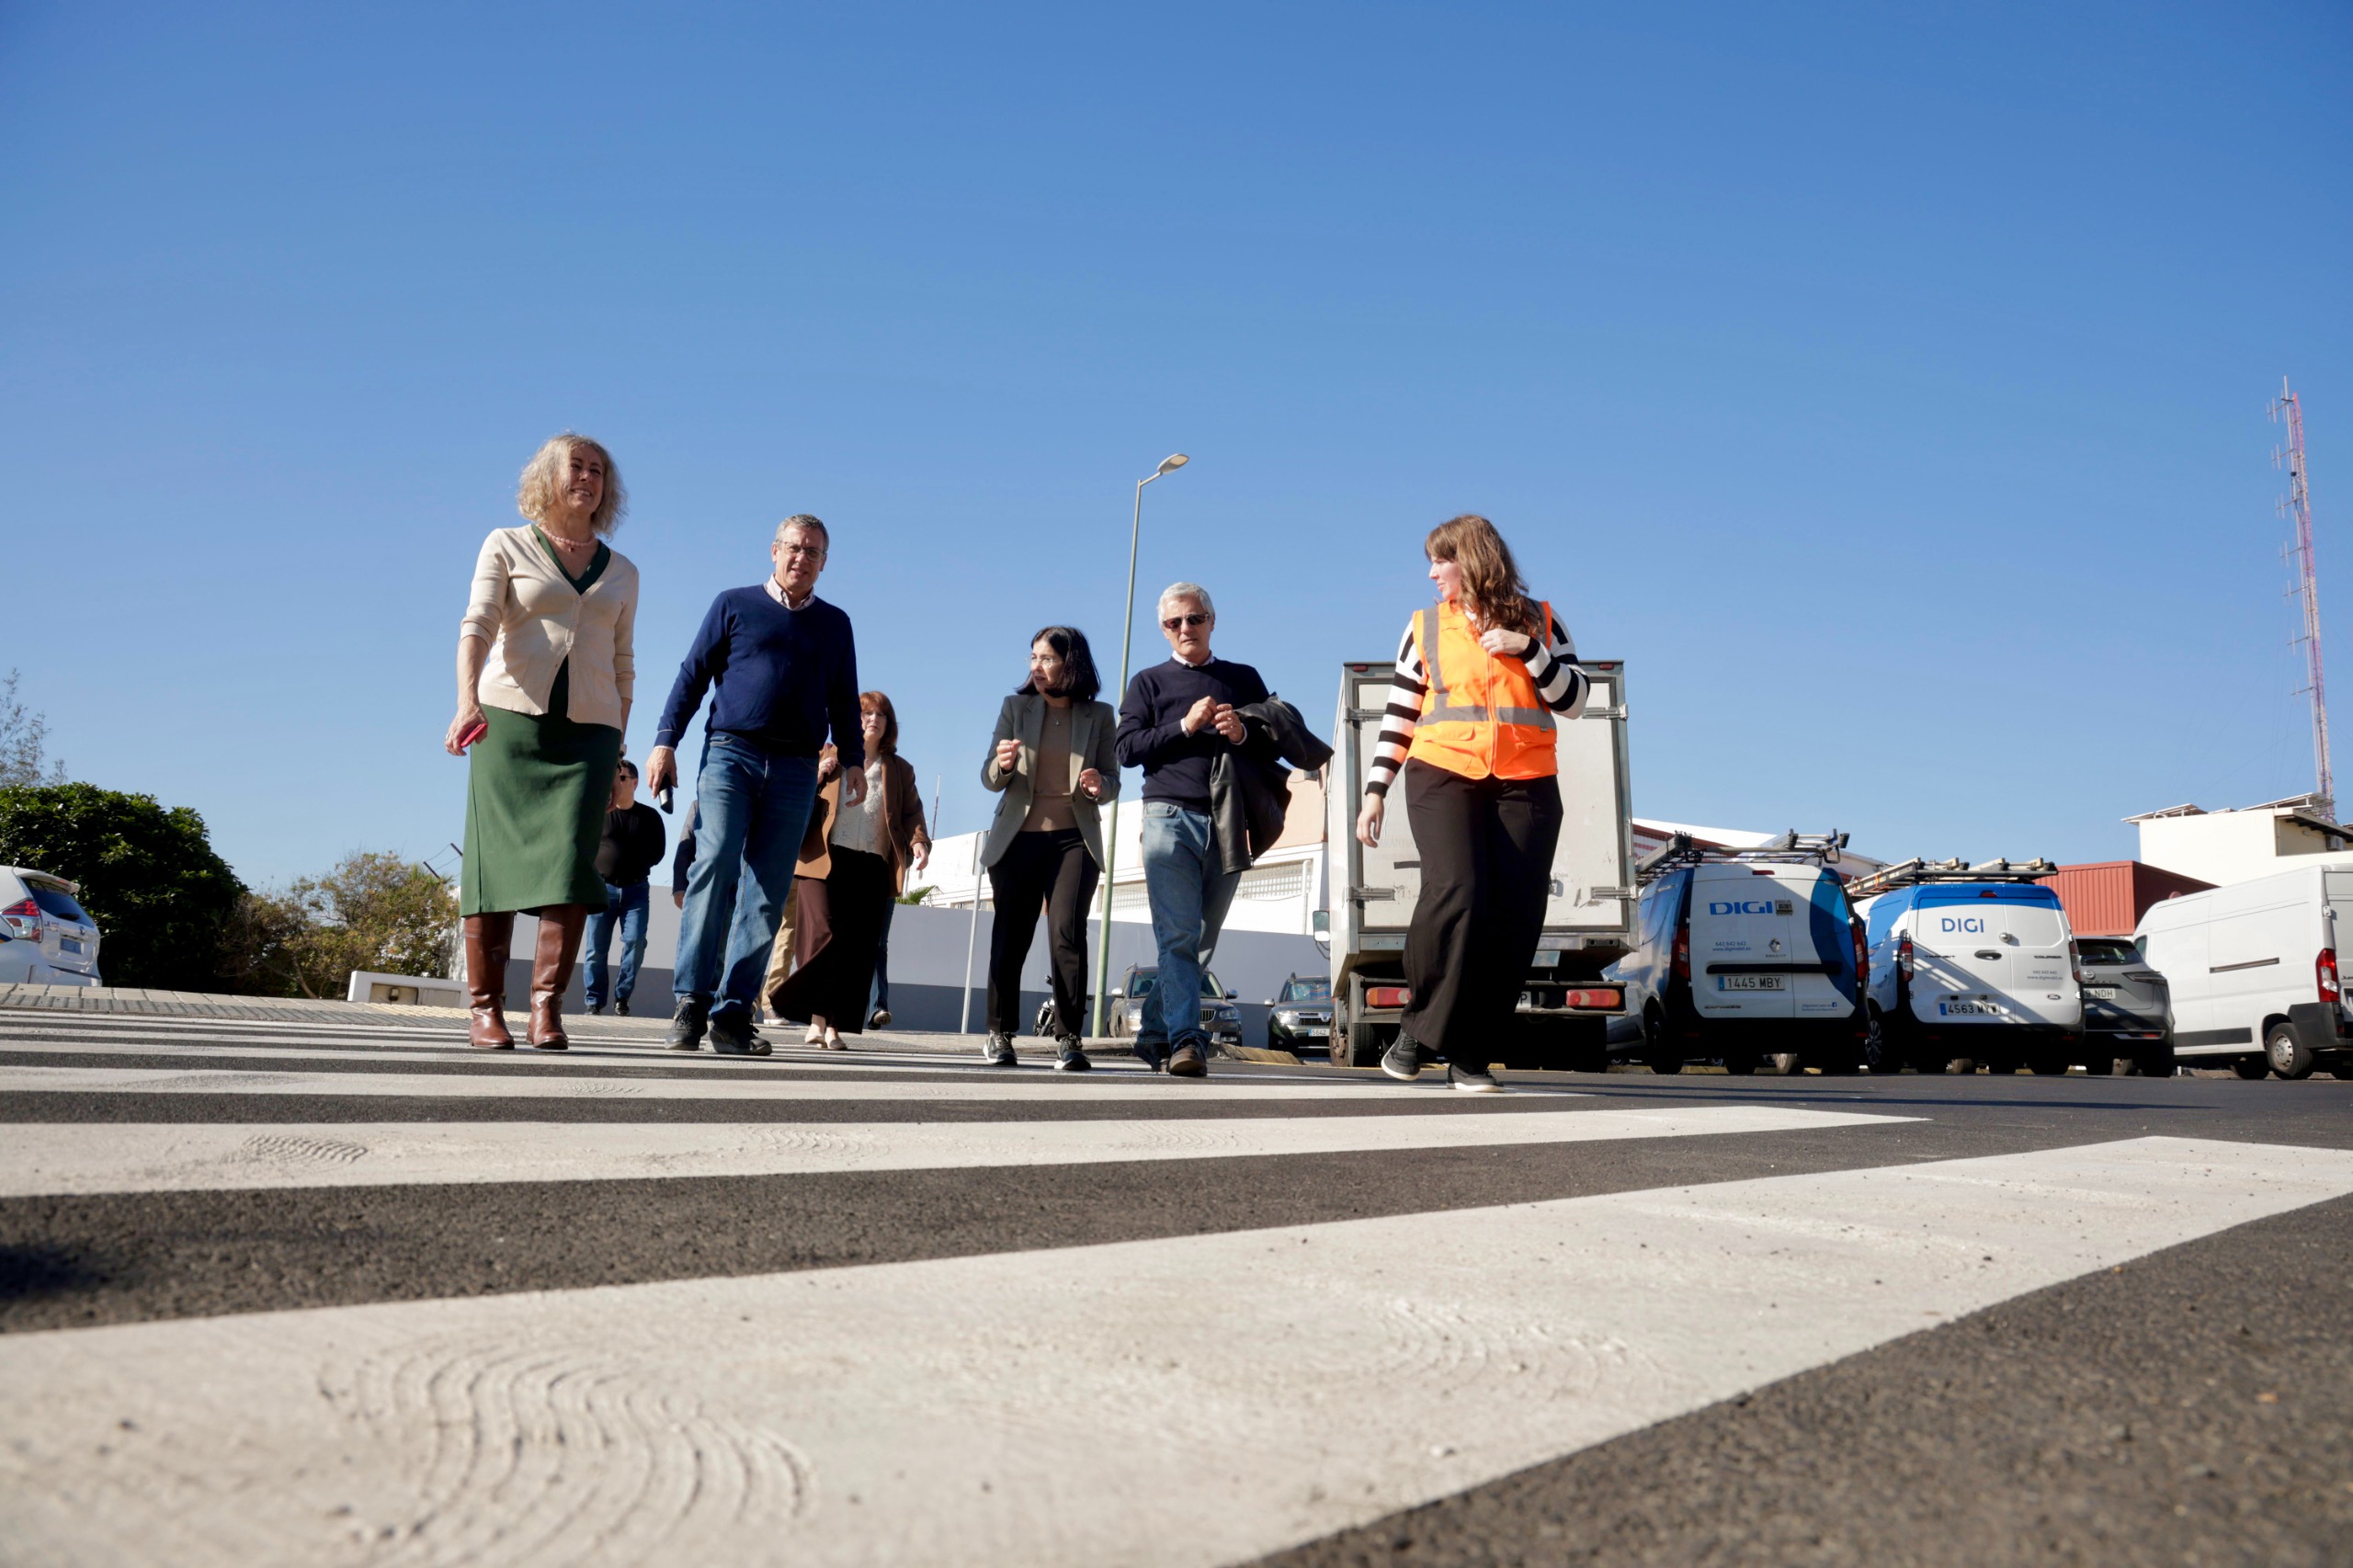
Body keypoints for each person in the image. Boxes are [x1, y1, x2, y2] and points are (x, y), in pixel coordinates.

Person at [1354, 514, 1588, 1093]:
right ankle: (1417, 1030)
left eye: (1441, 559)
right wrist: (1374, 790)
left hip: (1526, 779)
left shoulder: (1542, 621)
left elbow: (1576, 700)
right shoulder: (1425, 627)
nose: (1432, 572)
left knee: (1513, 913)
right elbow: (1400, 712)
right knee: (1457, 890)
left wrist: (1529, 649)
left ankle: (1471, 1055)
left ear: (1474, 558)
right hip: (1443, 771)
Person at [447, 433, 637, 1051]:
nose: (588, 477)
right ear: (548, 477)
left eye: (598, 471)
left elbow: (623, 662)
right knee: (494, 863)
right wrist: (466, 700)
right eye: (576, 466)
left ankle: (545, 1008)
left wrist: (619, 752)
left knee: (570, 867)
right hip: (510, 721)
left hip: (591, 733)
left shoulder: (624, 572)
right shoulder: (505, 543)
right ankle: (484, 1010)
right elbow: (477, 623)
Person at [646, 515, 863, 1056]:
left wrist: (854, 760)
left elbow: (844, 697)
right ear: (773, 551)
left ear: (824, 562)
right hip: (730, 754)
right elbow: (692, 674)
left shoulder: (835, 624)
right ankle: (691, 1002)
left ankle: (733, 1012)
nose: (802, 559)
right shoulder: (734, 603)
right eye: (794, 548)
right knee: (715, 862)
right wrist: (665, 740)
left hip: (796, 769)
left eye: (813, 552)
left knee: (766, 893)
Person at [1113, 584, 1269, 1078]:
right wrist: (1184, 725)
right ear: (1163, 629)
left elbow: (1274, 740)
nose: (1185, 629)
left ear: (1212, 621)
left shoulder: (1243, 678)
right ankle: (1186, 1041)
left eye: (1194, 619)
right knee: (1179, 934)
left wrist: (1244, 733)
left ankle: (1155, 1032)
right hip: (1167, 818)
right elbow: (1125, 749)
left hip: (1228, 821)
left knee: (1200, 940)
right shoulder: (1148, 683)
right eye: (1174, 623)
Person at [979, 627, 1120, 1070]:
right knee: (1012, 935)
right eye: (1033, 658)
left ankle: (1069, 1038)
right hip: (1017, 839)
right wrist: (1002, 766)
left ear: (1070, 662)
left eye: (1047, 659)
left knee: (1067, 934)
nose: (1037, 667)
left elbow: (1113, 780)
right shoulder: (1015, 708)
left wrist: (1099, 785)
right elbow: (988, 777)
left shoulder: (1099, 715)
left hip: (1073, 840)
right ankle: (999, 1034)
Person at [772, 693, 929, 1048]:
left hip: (872, 863)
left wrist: (919, 841)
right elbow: (792, 795)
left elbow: (912, 813)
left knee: (855, 947)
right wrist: (817, 775)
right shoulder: (828, 754)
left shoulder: (899, 769)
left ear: (889, 725)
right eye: (866, 713)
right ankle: (812, 1017)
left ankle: (833, 1026)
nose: (873, 719)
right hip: (824, 859)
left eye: (881, 715)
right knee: (822, 936)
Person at [585, 759, 665, 1016]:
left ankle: (622, 998)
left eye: (622, 777)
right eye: (614, 777)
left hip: (636, 892)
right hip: (601, 889)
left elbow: (658, 852)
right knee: (596, 949)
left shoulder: (650, 817)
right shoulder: (599, 814)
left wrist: (635, 867)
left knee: (635, 941)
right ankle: (594, 1000)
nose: (616, 782)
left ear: (635, 782)